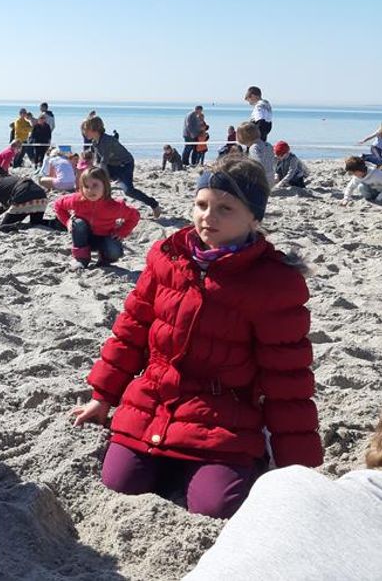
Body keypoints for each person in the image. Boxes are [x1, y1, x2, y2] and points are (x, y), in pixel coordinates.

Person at [71, 155, 322, 519]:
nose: (209, 216)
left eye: (225, 208)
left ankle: (220, 464)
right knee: (121, 482)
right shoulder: (167, 257)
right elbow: (131, 331)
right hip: (154, 398)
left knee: (215, 505)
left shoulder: (274, 283)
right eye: (202, 205)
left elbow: (288, 377)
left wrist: (295, 465)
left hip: (224, 414)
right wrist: (103, 397)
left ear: (254, 217)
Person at [184, 411, 382, 580]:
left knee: (214, 501)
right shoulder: (286, 484)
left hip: (228, 432)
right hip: (178, 431)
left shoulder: (284, 483)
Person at [53, 167, 140, 269]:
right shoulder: (77, 200)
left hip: (104, 238)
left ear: (105, 185)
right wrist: (67, 221)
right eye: (86, 186)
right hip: (83, 238)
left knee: (114, 252)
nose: (90, 190)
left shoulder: (115, 206)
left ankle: (104, 260)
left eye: (95, 185)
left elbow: (135, 215)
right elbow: (58, 205)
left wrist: (122, 231)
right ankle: (81, 259)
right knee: (78, 223)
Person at [83, 115, 162, 218]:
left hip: (124, 165)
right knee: (97, 183)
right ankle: (99, 209)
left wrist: (102, 178)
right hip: (111, 165)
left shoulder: (107, 141)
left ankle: (154, 204)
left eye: (85, 130)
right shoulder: (94, 142)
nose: (84, 133)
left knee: (129, 191)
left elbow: (103, 163)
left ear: (94, 129)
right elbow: (97, 160)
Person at [0, 166, 49, 232]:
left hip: (24, 196)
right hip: (41, 196)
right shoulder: (10, 179)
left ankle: (17, 225)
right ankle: (54, 222)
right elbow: (6, 206)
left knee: (2, 227)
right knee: (36, 223)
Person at [237, 121, 275, 187]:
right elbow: (272, 161)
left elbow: (258, 165)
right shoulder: (268, 145)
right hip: (271, 179)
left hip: (261, 181)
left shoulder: (254, 148)